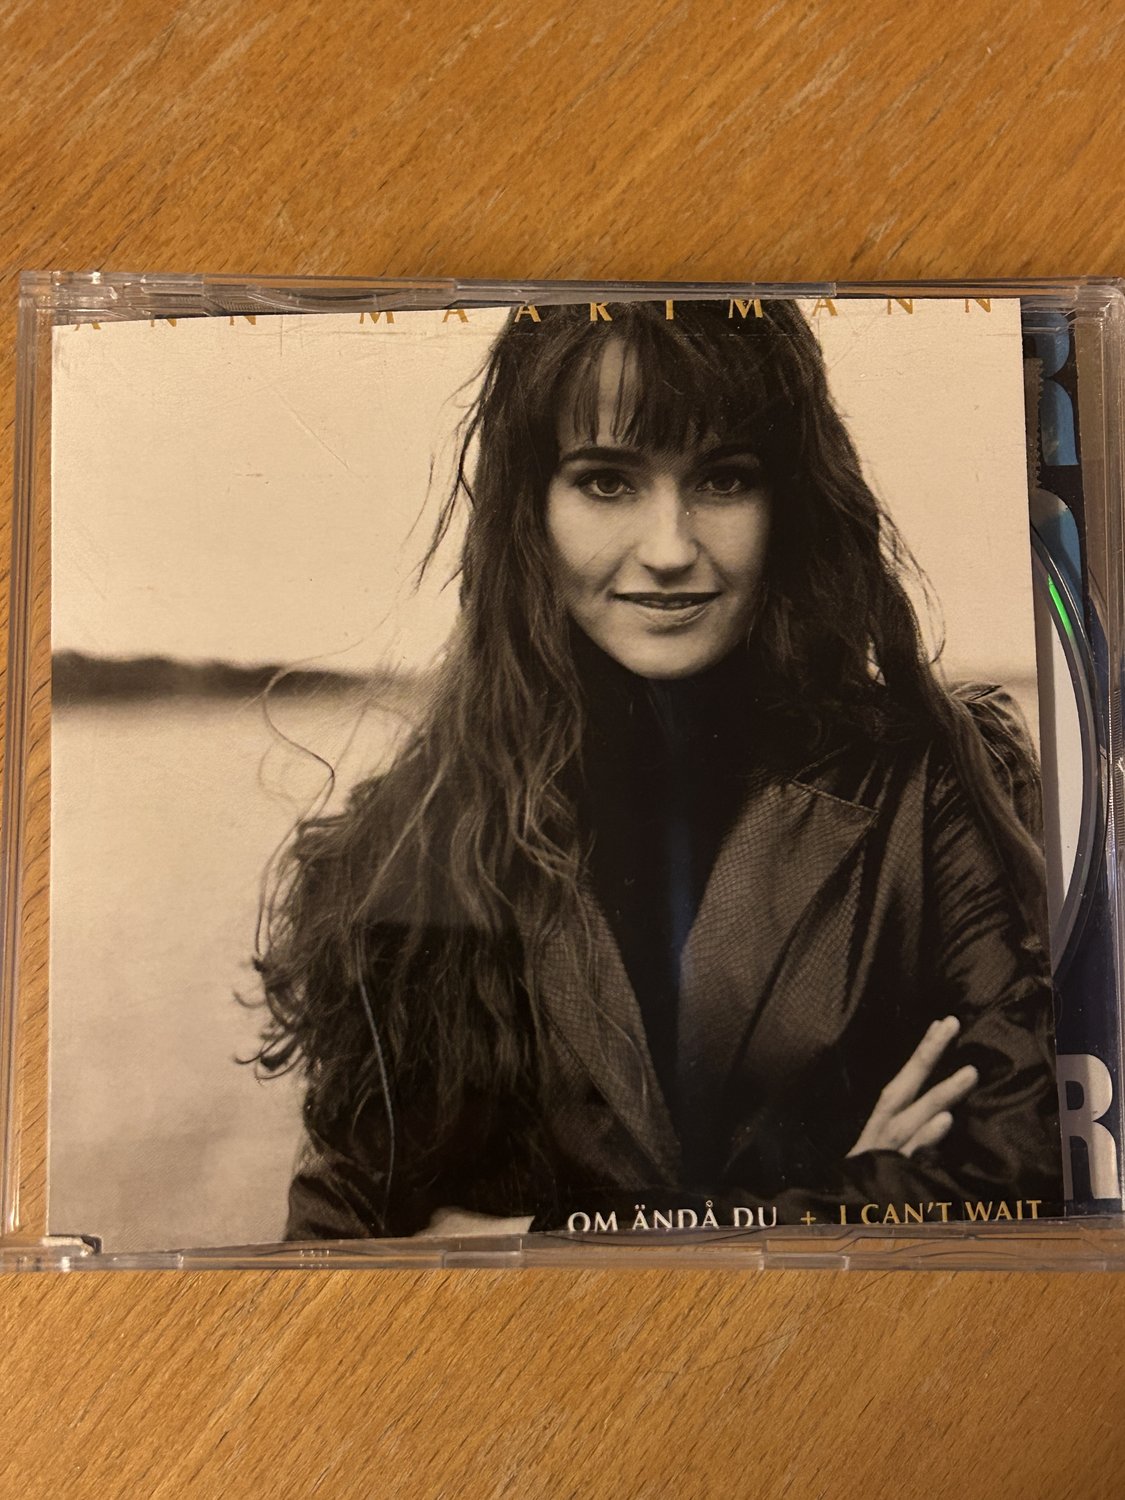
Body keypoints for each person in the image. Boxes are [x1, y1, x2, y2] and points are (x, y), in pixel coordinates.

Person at [253, 298, 1062, 1240]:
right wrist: (847, 1196)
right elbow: (337, 1246)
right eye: (606, 482)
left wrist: (534, 1245)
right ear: (529, 508)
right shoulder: (413, 837)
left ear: (788, 500)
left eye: (723, 479)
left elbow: (1025, 1176)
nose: (671, 549)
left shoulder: (939, 784)